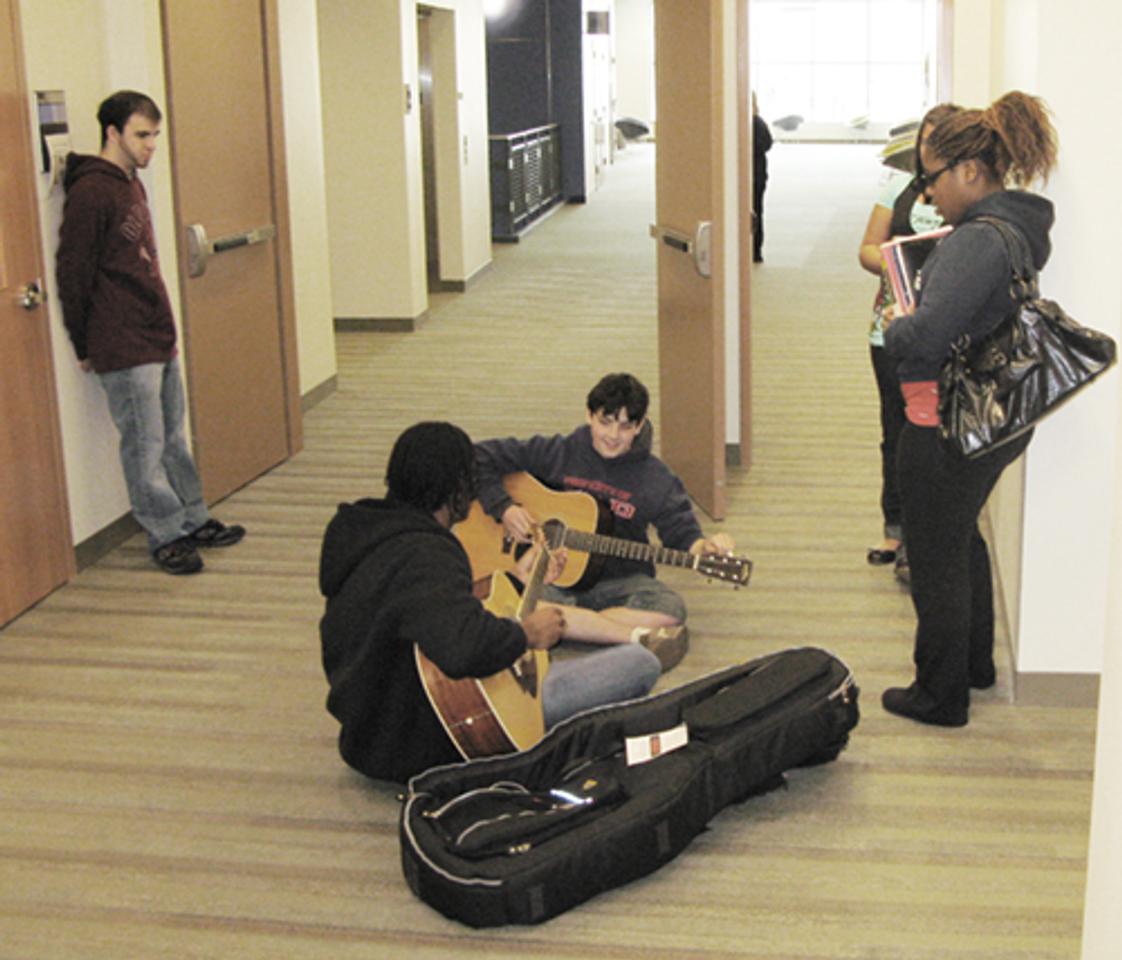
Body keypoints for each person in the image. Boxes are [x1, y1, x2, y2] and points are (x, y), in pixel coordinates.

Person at [318, 421, 661, 783]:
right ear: (454, 489)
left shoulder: (364, 532)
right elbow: (464, 648)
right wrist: (526, 635)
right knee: (639, 663)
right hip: (428, 739)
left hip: (365, 735)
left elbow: (434, 615)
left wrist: (520, 578)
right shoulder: (429, 555)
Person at [882, 91, 1058, 726]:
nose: (926, 196)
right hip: (993, 417)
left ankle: (939, 694)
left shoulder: (976, 241)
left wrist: (897, 326)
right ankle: (974, 666)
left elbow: (926, 337)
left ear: (968, 172)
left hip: (944, 423)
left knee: (934, 555)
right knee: (961, 537)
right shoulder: (1014, 231)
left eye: (930, 179)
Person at [55, 90, 244, 575]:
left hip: (155, 334)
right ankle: (165, 534)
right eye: (141, 135)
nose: (149, 146)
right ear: (112, 132)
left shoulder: (130, 184)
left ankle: (192, 516)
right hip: (121, 341)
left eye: (155, 136)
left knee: (174, 438)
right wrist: (82, 342)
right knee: (145, 444)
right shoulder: (92, 191)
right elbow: (72, 271)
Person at [474, 373, 736, 671]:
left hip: (621, 580)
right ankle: (628, 635)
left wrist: (705, 547)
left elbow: (683, 532)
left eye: (625, 426)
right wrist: (505, 508)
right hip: (554, 579)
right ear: (589, 415)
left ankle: (572, 625)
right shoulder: (559, 451)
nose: (613, 435)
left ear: (639, 426)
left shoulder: (656, 478)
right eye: (605, 421)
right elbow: (477, 456)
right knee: (519, 595)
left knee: (671, 608)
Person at [857, 104, 959, 583]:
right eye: (925, 142)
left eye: (940, 145)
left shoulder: (962, 197)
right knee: (893, 428)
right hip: (889, 326)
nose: (928, 153)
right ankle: (895, 528)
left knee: (932, 434)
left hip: (941, 332)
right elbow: (866, 248)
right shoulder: (896, 187)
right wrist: (897, 265)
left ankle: (924, 534)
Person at [752, 92, 773, 263]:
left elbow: (766, 145)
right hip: (756, 176)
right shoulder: (757, 123)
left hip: (756, 177)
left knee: (755, 212)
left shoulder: (757, 124)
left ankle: (755, 249)